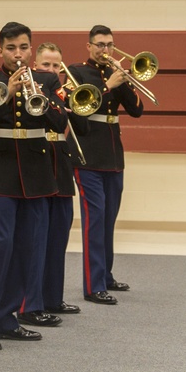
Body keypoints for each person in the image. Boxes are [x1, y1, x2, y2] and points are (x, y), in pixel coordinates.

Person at [0, 22, 67, 349]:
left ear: (31, 50)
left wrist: (40, 97)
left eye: (23, 47)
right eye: (11, 48)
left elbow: (62, 122)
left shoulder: (48, 80)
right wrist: (6, 91)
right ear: (0, 51)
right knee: (1, 245)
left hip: (36, 172)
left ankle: (5, 318)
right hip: (1, 172)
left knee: (27, 248)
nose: (17, 54)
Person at [65, 25, 144, 305]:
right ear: (88, 46)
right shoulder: (77, 72)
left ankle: (106, 275)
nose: (105, 50)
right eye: (99, 44)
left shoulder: (114, 73)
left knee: (108, 219)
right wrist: (108, 85)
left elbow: (136, 110)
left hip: (113, 156)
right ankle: (93, 284)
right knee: (94, 222)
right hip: (87, 155)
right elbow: (78, 107)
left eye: (109, 44)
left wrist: (127, 81)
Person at [27, 42, 80, 318]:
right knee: (37, 238)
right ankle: (31, 304)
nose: (51, 70)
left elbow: (67, 125)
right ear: (35, 65)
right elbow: (52, 119)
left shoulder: (61, 91)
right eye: (46, 64)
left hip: (61, 161)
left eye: (56, 65)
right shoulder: (32, 88)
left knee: (58, 235)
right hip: (40, 160)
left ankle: (52, 298)